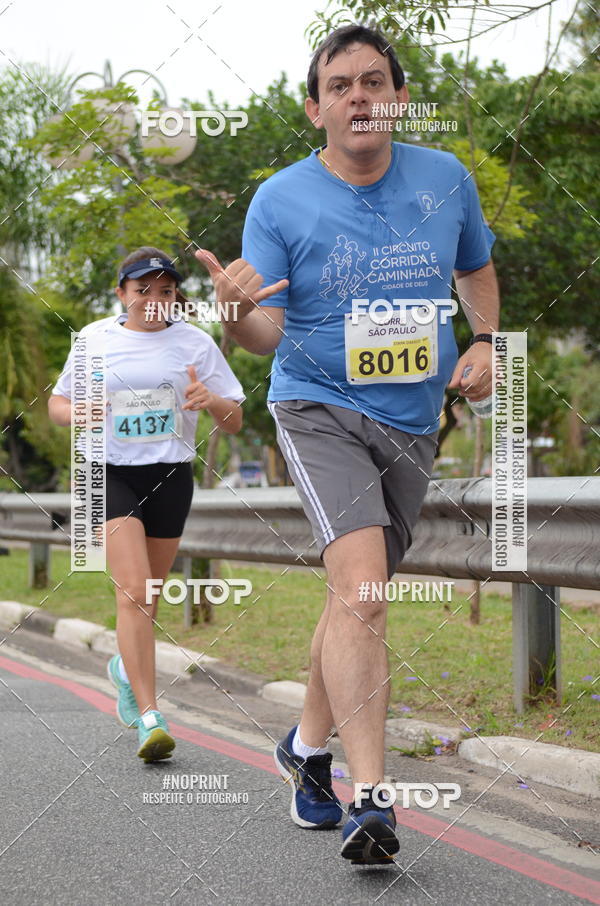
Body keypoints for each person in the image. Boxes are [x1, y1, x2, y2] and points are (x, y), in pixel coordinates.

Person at [196, 23, 499, 863]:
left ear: (399, 97)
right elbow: (261, 334)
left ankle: (305, 747)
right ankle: (372, 801)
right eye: (341, 86)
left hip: (410, 419)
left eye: (374, 82)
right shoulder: (279, 200)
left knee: (349, 593)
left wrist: (483, 341)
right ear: (316, 108)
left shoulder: (447, 180)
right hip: (317, 406)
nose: (359, 96)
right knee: (366, 591)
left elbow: (475, 266)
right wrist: (231, 307)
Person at [48, 246, 245, 763]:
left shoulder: (196, 344)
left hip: (170, 476)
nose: (155, 300)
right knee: (134, 591)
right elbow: (56, 403)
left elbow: (234, 419)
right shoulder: (94, 338)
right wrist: (77, 413)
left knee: (148, 598)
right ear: (122, 293)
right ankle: (150, 714)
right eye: (143, 290)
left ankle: (123, 670)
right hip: (105, 472)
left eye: (165, 291)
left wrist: (213, 403)